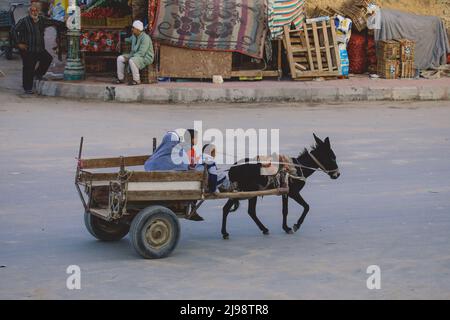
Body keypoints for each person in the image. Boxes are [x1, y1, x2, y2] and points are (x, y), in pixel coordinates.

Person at [14, 5, 65, 94]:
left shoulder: (42, 20)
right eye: (32, 11)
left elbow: (53, 22)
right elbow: (13, 30)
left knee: (47, 58)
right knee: (28, 68)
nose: (34, 12)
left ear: (38, 12)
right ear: (29, 12)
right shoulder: (24, 21)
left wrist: (65, 23)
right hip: (28, 49)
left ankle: (38, 74)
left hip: (39, 49)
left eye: (36, 11)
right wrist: (18, 43)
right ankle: (27, 88)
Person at [115, 20, 154, 85]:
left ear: (138, 29)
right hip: (134, 55)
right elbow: (128, 40)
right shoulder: (134, 36)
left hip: (145, 57)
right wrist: (120, 42)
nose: (132, 29)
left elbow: (142, 53)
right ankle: (121, 78)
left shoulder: (145, 38)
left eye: (133, 28)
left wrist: (130, 57)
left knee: (132, 60)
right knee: (120, 58)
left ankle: (137, 80)